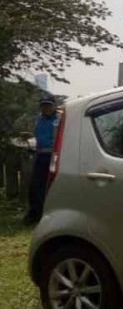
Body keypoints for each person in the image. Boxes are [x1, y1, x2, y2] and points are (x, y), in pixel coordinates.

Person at [24, 96, 60, 226]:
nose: (46, 108)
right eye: (44, 106)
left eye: (49, 105)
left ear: (54, 106)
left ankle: (49, 214)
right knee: (35, 185)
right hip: (41, 154)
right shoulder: (39, 119)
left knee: (51, 186)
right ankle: (35, 213)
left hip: (54, 156)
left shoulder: (59, 119)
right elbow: (36, 135)